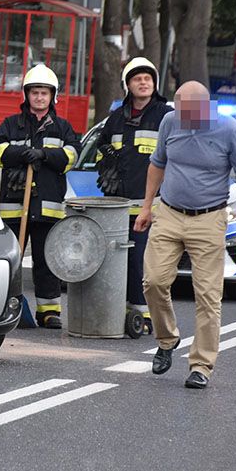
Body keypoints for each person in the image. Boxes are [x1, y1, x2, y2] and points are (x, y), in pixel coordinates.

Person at [134, 81, 236, 389]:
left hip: (208, 218)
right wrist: (147, 206)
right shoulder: (170, 121)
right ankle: (166, 340)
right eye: (180, 110)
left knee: (207, 295)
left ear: (206, 107)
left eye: (190, 113)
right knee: (154, 281)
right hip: (169, 213)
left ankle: (201, 364)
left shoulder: (230, 130)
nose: (183, 118)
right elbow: (157, 164)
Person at [0, 63, 80, 329]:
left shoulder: (62, 127)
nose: (39, 97)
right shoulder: (11, 125)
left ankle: (48, 311)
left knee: (46, 260)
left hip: (47, 209)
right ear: (26, 95)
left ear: (53, 96)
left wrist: (45, 155)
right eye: (35, 92)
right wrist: (19, 155)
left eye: (44, 93)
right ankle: (6, 305)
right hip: (14, 209)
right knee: (11, 261)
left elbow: (73, 154)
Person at [94, 57, 173, 335]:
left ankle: (145, 316)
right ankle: (124, 313)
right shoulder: (115, 117)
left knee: (143, 263)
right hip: (117, 207)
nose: (143, 82)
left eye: (147, 78)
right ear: (127, 85)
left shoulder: (166, 114)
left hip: (151, 207)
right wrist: (108, 159)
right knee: (119, 264)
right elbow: (101, 148)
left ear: (154, 84)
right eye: (137, 78)